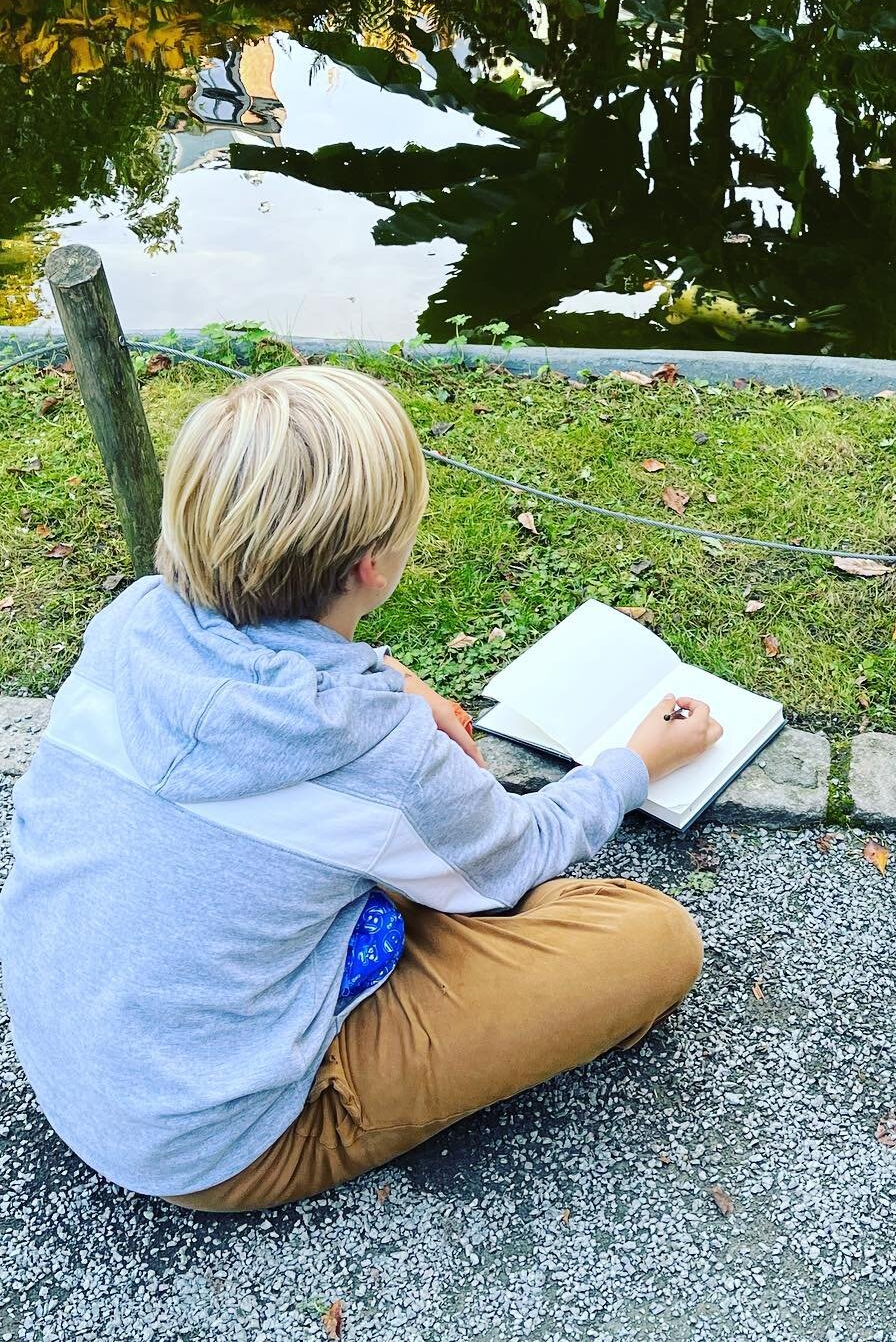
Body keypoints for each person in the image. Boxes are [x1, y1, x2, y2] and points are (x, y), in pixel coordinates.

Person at [0, 366, 713, 1210]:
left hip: (86, 1053)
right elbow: (524, 853)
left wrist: (388, 674)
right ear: (374, 567)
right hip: (212, 1142)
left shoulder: (129, 623)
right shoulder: (381, 755)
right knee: (651, 938)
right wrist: (633, 761)